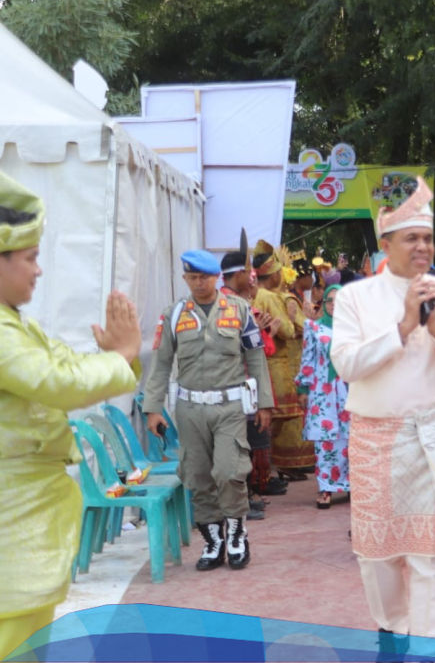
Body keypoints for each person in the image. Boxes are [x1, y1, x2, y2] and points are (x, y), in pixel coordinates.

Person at [331, 177, 435, 653]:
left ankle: (428, 647)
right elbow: (346, 365)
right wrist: (402, 326)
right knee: (377, 555)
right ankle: (392, 629)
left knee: (432, 554)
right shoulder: (355, 297)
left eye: (427, 237)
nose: (422, 246)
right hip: (376, 438)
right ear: (386, 245)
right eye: (411, 238)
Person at [0, 174, 142, 661]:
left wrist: (118, 357)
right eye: (31, 258)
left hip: (23, 515)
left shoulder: (14, 323)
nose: (39, 271)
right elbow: (55, 382)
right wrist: (121, 357)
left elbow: (62, 365)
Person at [143, 249, 274, 571]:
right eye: (192, 277)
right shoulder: (174, 314)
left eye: (205, 276)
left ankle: (236, 535)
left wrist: (264, 404)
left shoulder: (240, 310)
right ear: (185, 278)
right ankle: (213, 541)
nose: (199, 282)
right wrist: (152, 408)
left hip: (229, 405)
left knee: (230, 472)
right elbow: (161, 364)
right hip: (189, 408)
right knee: (198, 475)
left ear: (216, 277)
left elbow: (256, 357)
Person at [220, 236, 285, 518]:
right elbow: (258, 348)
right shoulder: (235, 305)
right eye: (249, 273)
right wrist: (263, 333)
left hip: (242, 385)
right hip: (238, 385)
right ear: (239, 275)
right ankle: (240, 503)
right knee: (239, 448)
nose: (252, 278)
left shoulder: (233, 302)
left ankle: (245, 498)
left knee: (244, 446)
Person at [252, 241, 313, 480]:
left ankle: (274, 467)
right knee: (287, 416)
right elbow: (288, 331)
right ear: (276, 274)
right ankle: (286, 464)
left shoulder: (257, 295)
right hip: (278, 364)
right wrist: (291, 322)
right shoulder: (272, 297)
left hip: (267, 363)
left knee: (276, 417)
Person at [295, 284, 351, 509]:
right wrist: (302, 388)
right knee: (324, 440)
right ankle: (325, 488)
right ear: (324, 303)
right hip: (322, 391)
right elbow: (307, 359)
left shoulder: (354, 329)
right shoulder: (314, 328)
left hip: (348, 390)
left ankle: (348, 485)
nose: (334, 305)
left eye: (339, 301)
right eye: (330, 301)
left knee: (347, 439)